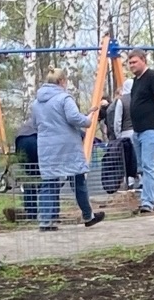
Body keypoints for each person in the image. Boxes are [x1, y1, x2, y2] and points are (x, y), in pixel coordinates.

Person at [27, 68, 103, 230]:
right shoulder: (64, 98)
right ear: (62, 81)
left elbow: (34, 124)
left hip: (46, 147)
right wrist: (88, 119)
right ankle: (88, 215)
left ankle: (45, 220)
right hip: (67, 146)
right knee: (78, 181)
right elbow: (74, 118)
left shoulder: (36, 103)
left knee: (49, 182)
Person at [123, 52, 154, 212]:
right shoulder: (136, 81)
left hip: (151, 128)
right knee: (142, 166)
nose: (131, 65)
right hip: (137, 130)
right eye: (129, 63)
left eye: (134, 62)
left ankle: (148, 202)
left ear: (143, 60)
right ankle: (147, 198)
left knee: (148, 165)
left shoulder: (152, 77)